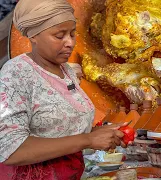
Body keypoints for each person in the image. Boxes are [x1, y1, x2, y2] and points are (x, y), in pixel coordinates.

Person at [0, 0, 130, 179]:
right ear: (33, 36)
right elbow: (10, 150)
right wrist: (87, 140)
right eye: (60, 35)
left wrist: (99, 134)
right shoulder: (16, 73)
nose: (70, 43)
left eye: (72, 33)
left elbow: (55, 130)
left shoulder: (66, 70)